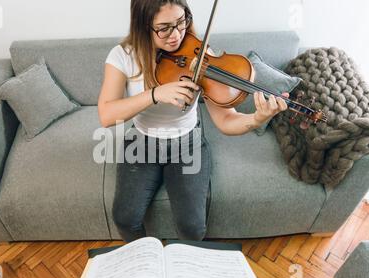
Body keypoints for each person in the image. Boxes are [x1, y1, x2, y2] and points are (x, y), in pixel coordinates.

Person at [98, 0, 288, 242]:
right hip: (141, 144)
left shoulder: (200, 54)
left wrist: (257, 119)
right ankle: (144, 261)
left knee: (192, 227)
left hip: (187, 145)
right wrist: (155, 94)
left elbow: (226, 121)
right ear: (142, 26)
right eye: (164, 28)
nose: (176, 35)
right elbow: (106, 115)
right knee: (124, 218)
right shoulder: (122, 56)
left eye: (181, 22)